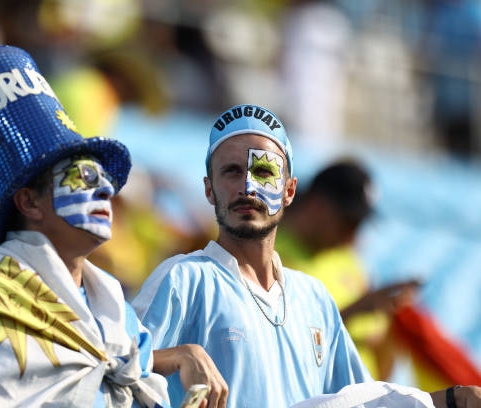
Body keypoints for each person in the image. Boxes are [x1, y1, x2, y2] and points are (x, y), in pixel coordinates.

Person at [132, 103, 481, 407]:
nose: (247, 187)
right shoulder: (184, 279)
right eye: (231, 171)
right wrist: (177, 356)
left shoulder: (314, 298)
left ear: (289, 191)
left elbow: (364, 403)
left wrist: (450, 399)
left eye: (264, 171)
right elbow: (108, 368)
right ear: (209, 189)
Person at [0, 45, 171, 407]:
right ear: (30, 202)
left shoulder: (116, 309)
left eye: (103, 179)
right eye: (83, 176)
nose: (105, 189)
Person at [274, 158, 420, 380]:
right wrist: (354, 312)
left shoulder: (348, 260)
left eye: (359, 224)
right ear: (317, 205)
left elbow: (379, 343)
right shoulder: (264, 252)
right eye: (349, 221)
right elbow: (273, 340)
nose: (354, 234)